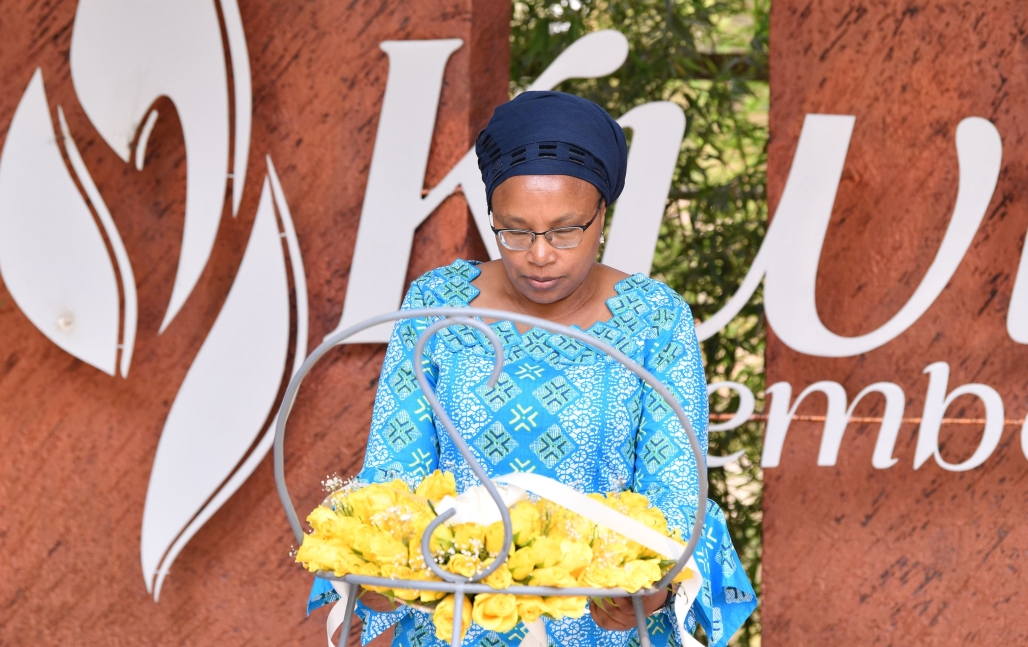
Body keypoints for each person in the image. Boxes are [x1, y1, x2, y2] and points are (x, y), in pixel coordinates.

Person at [308, 91, 756, 646]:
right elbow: (395, 467)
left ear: (601, 215)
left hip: (602, 623)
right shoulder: (437, 305)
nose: (540, 254)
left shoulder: (654, 318)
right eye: (514, 231)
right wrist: (376, 568)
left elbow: (674, 487)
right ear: (491, 217)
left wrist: (653, 583)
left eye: (565, 230)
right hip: (453, 619)